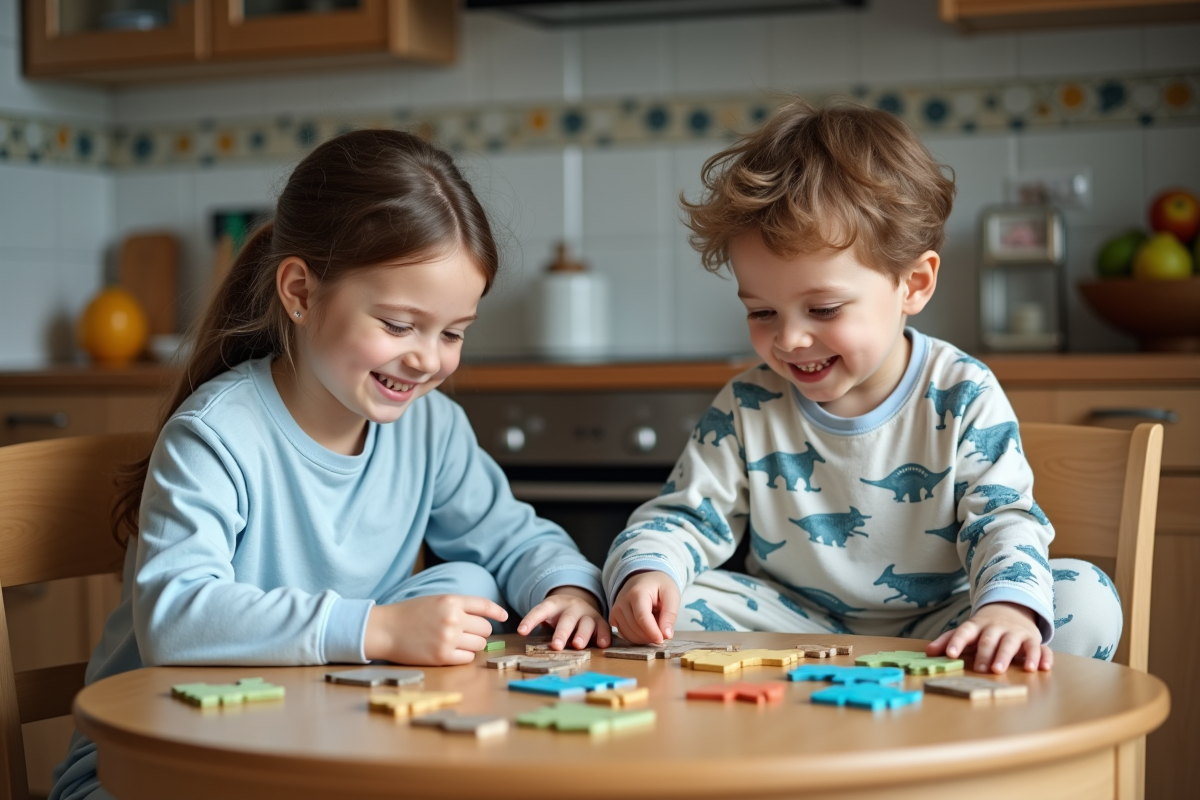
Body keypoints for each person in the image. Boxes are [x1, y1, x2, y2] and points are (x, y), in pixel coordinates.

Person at [51, 129, 609, 800]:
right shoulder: (216, 434)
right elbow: (177, 616)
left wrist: (570, 589)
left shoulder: (431, 429)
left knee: (466, 577)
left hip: (309, 750)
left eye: (453, 332)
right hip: (155, 770)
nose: (428, 359)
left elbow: (515, 539)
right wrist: (379, 628)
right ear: (300, 292)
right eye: (399, 325)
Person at [603, 100, 1121, 675]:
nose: (791, 340)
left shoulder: (962, 391)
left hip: (943, 628)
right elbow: (682, 519)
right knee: (670, 606)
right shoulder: (750, 405)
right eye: (762, 312)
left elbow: (1000, 520)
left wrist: (1005, 610)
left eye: (822, 308)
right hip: (793, 628)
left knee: (1084, 596)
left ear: (914, 284)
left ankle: (962, 738)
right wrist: (645, 574)